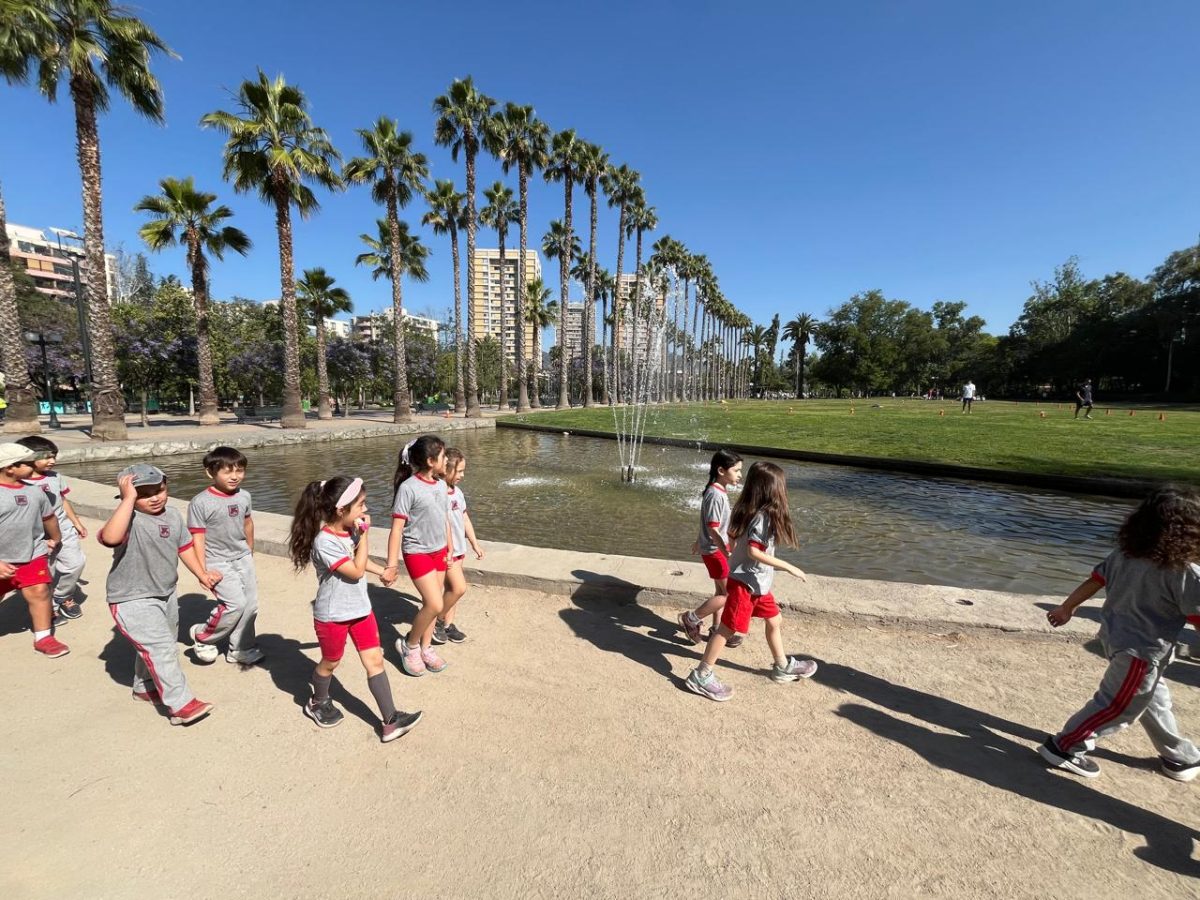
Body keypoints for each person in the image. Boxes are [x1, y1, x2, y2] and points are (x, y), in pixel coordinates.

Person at [1040, 486, 1200, 780]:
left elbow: (1095, 580)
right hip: (1142, 652)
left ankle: (1178, 755)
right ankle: (1064, 746)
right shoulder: (1185, 573)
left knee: (1152, 699)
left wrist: (1067, 607)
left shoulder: (1125, 554)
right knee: (1117, 706)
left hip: (1114, 637)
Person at [288, 476, 421, 742]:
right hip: (333, 616)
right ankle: (318, 701)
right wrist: (366, 536)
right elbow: (355, 570)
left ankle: (390, 721)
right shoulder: (324, 542)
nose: (365, 509)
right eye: (360, 504)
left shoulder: (350, 531)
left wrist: (382, 570)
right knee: (330, 662)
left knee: (375, 661)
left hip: (361, 610)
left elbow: (358, 559)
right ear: (341, 510)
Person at [685, 461, 818, 701]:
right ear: (772, 489)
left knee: (775, 620)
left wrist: (733, 553)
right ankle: (701, 675)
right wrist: (789, 567)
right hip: (745, 585)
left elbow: (732, 536)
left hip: (758, 584)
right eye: (782, 486)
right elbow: (754, 551)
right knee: (727, 629)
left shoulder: (748, 509)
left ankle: (782, 666)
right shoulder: (762, 517)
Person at [100, 464, 218, 725]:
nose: (154, 498)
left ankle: (144, 687)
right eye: (144, 494)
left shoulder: (173, 515)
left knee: (160, 643)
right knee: (161, 648)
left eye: (159, 490)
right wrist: (128, 500)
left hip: (165, 593)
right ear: (127, 496)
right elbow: (110, 538)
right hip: (131, 597)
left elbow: (184, 547)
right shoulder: (128, 518)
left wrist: (201, 573)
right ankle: (181, 705)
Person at [187, 446, 264, 666]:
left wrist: (249, 550)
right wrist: (202, 571)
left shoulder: (244, 496)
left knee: (250, 605)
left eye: (239, 470)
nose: (234, 476)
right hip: (216, 560)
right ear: (210, 473)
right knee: (235, 604)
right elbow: (198, 538)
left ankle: (241, 648)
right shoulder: (200, 502)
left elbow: (247, 523)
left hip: (242, 556)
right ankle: (203, 636)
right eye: (227, 471)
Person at [384, 435, 452, 676]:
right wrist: (391, 565)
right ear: (431, 461)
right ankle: (409, 645)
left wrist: (449, 548)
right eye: (443, 456)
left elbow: (444, 518)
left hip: (439, 551)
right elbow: (396, 529)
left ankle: (425, 647)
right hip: (417, 552)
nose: (447, 460)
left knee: (431, 604)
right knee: (435, 603)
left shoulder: (441, 485)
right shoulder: (408, 488)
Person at [0, 442, 66, 657]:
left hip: (32, 553)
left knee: (39, 592)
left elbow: (48, 517)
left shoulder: (35, 491)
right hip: (2, 558)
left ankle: (44, 637)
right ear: (10, 468)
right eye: (28, 463)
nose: (34, 466)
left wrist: (55, 537)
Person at [17, 436, 87, 624]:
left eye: (54, 456)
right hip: (37, 533)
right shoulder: (18, 482)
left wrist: (76, 522)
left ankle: (62, 595)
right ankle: (49, 609)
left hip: (63, 528)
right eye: (47, 457)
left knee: (76, 563)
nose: (52, 461)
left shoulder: (55, 477)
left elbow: (63, 500)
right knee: (46, 571)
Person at [679, 449, 744, 647]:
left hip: (713, 550)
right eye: (736, 470)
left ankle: (717, 628)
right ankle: (691, 618)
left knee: (720, 592)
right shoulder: (716, 494)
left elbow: (708, 524)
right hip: (716, 552)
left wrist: (699, 540)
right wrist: (726, 551)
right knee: (728, 594)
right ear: (721, 471)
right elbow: (713, 528)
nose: (740, 475)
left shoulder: (716, 491)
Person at [433, 447, 484, 646]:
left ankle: (447, 624)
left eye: (463, 471)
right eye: (459, 471)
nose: (462, 475)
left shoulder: (458, 493)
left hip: (459, 549)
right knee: (459, 588)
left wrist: (474, 543)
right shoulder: (438, 493)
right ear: (446, 469)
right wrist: (448, 549)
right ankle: (436, 620)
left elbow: (465, 518)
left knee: (451, 590)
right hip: (447, 551)